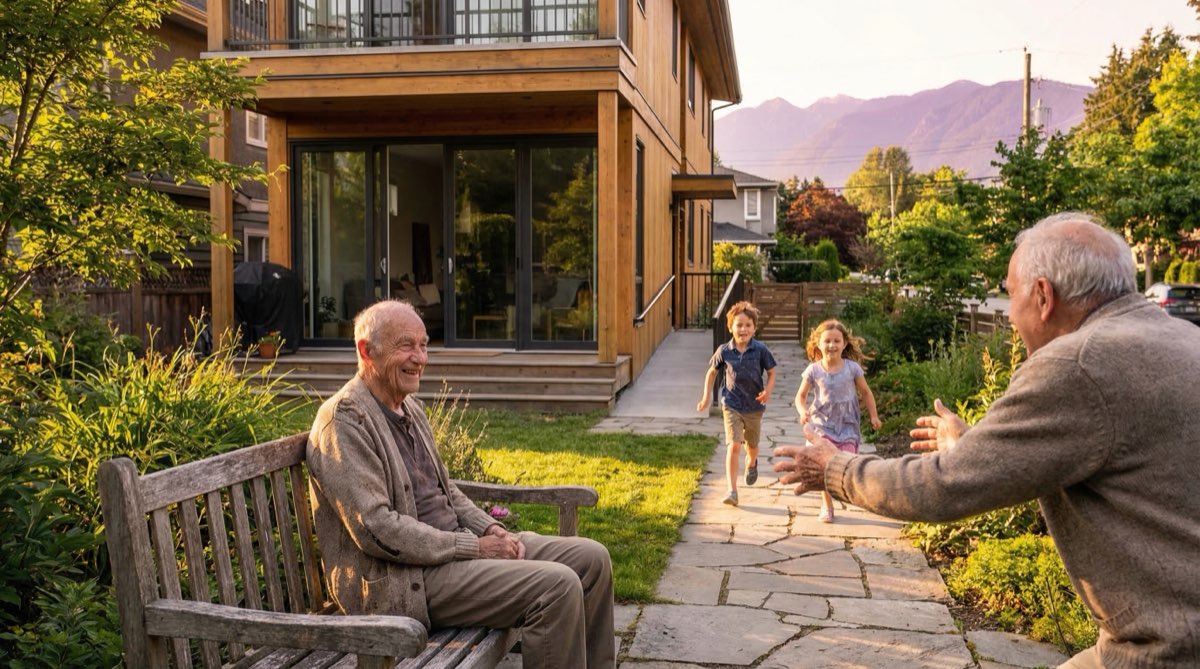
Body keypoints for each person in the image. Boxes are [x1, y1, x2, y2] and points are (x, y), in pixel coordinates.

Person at [773, 212, 1200, 668]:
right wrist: (976, 446)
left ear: (1043, 296)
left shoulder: (1078, 363)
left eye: (1009, 294)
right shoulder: (1181, 335)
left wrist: (834, 468)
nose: (1010, 311)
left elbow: (941, 489)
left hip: (1167, 650)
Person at [306, 300, 615, 669]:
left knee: (592, 559)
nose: (419, 358)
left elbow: (445, 490)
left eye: (423, 345)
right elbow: (377, 529)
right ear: (366, 351)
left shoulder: (410, 409)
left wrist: (492, 528)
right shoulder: (343, 421)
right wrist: (474, 547)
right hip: (404, 582)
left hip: (452, 556)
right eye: (406, 345)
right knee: (556, 587)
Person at [794, 319, 881, 523]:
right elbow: (800, 396)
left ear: (844, 344)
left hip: (847, 424)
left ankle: (848, 494)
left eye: (836, 341)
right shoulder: (813, 370)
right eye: (827, 341)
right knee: (824, 465)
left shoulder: (852, 369)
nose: (832, 345)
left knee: (847, 463)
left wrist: (874, 416)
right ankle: (827, 506)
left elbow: (866, 393)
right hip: (821, 425)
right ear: (818, 344)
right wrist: (802, 410)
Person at [696, 301, 777, 507]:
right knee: (734, 446)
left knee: (752, 446)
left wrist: (767, 391)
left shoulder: (760, 350)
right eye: (739, 325)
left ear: (754, 328)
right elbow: (712, 372)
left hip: (754, 406)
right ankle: (732, 490)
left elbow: (772, 372)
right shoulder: (724, 350)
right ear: (730, 327)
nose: (743, 329)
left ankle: (752, 463)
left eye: (748, 325)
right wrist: (706, 397)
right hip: (731, 403)